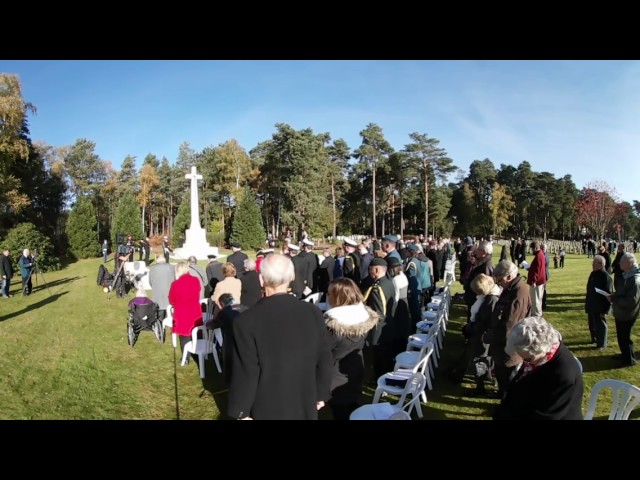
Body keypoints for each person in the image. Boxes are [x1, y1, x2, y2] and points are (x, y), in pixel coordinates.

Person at [227, 253, 333, 420]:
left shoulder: (246, 321)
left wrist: (241, 411)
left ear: (261, 280)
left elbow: (245, 373)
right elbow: (325, 358)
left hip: (268, 405)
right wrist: (321, 393)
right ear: (291, 277)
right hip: (303, 399)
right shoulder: (312, 312)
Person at [493, 316, 584, 420]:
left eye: (527, 359)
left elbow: (545, 416)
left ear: (541, 349)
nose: (525, 362)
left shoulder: (563, 374)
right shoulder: (539, 357)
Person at [323, 278, 378, 420]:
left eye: (329, 294)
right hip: (356, 369)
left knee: (340, 412)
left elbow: (323, 353)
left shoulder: (334, 327)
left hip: (336, 376)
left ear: (338, 297)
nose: (326, 296)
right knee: (352, 407)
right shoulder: (362, 317)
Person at [483, 260, 532, 398]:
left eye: (500, 281)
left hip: (509, 348)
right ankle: (502, 395)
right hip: (502, 345)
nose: (499, 285)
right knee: (502, 377)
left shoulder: (518, 293)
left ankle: (506, 403)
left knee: (508, 380)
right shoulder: (511, 288)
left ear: (509, 277)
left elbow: (509, 326)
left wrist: (489, 337)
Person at [206, 293, 248, 386]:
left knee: (229, 365)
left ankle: (230, 384)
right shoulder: (244, 307)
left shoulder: (225, 312)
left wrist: (206, 323)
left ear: (222, 303)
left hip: (231, 343)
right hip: (246, 342)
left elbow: (213, 325)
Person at [608, 252, 640, 366]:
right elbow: (623, 292)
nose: (619, 263)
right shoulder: (627, 275)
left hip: (628, 313)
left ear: (630, 263)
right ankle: (625, 355)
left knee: (625, 337)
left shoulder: (634, 279)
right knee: (621, 336)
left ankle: (629, 360)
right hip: (621, 312)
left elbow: (631, 301)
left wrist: (615, 300)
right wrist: (614, 296)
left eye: (622, 261)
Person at [168, 262, 203, 356]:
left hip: (182, 312)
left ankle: (186, 356)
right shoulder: (195, 280)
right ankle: (197, 351)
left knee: (184, 335)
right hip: (194, 310)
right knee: (195, 331)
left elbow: (171, 300)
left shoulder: (176, 283)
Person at [585, 255, 612, 349]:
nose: (592, 264)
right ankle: (594, 338)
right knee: (592, 323)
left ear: (601, 264)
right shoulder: (593, 274)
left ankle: (602, 344)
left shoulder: (605, 276)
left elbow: (608, 293)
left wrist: (606, 309)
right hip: (591, 303)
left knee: (600, 324)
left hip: (600, 305)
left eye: (594, 263)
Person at [148, 255, 175, 321]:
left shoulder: (152, 268)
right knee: (169, 306)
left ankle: (160, 322)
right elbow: (175, 279)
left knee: (159, 307)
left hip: (157, 292)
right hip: (169, 292)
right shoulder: (171, 267)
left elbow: (150, 281)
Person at [527, 241, 546, 317]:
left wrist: (533, 281)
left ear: (535, 248)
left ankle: (537, 316)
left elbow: (537, 270)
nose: (531, 250)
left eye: (532, 249)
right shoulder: (540, 254)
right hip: (540, 281)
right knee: (537, 299)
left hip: (537, 282)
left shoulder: (538, 256)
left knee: (536, 300)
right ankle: (536, 314)